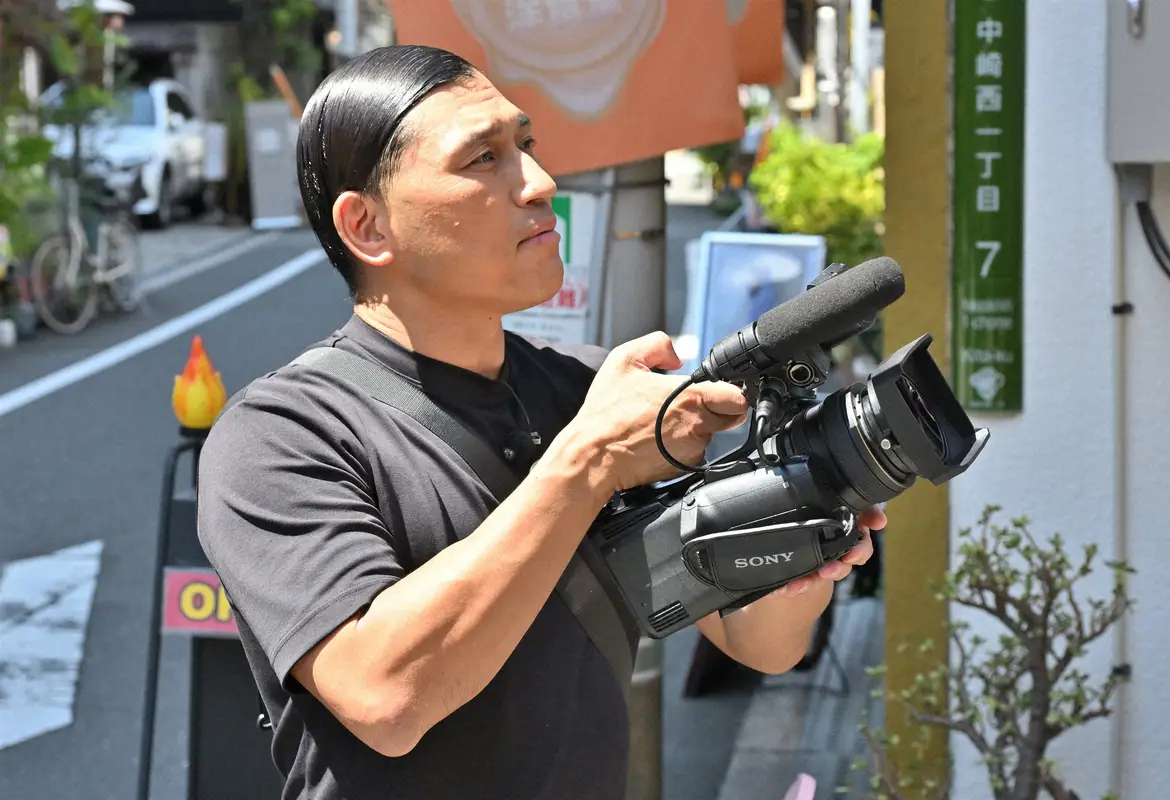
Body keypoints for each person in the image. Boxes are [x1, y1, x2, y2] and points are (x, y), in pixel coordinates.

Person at [196, 44, 886, 800]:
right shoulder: (281, 434)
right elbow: (385, 697)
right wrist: (588, 464)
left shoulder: (588, 390)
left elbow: (757, 642)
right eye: (482, 159)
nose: (539, 183)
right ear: (367, 226)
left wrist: (805, 524)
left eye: (524, 145)